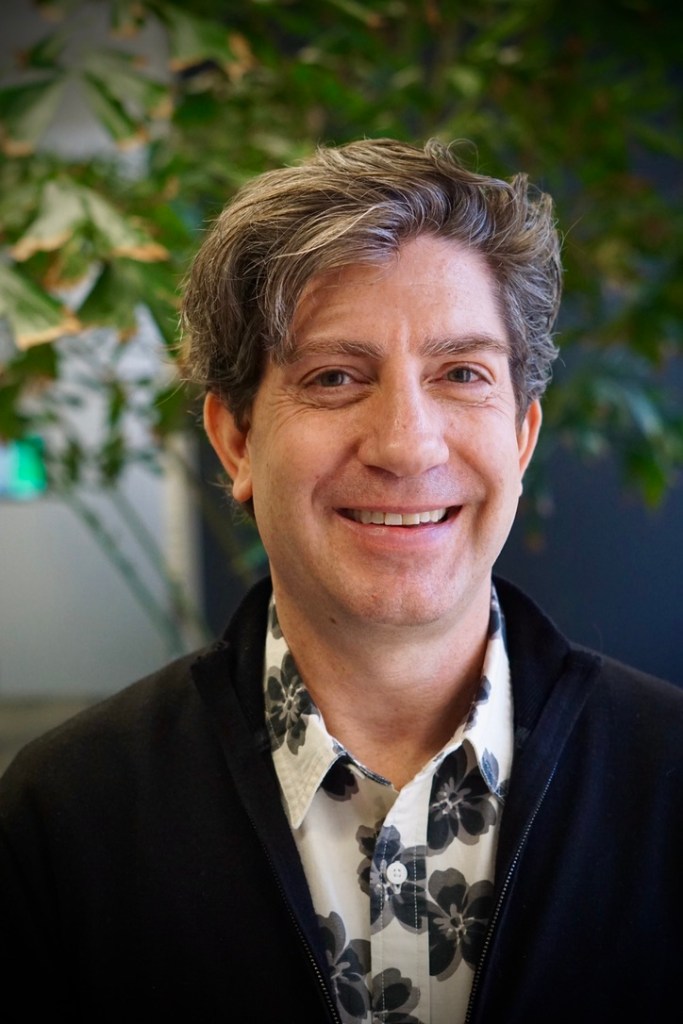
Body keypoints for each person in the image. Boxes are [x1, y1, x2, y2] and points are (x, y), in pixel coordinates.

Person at [0, 138, 681, 1024]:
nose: (406, 445)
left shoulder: (668, 781)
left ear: (520, 436)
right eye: (333, 377)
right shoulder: (66, 815)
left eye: (461, 374)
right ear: (236, 442)